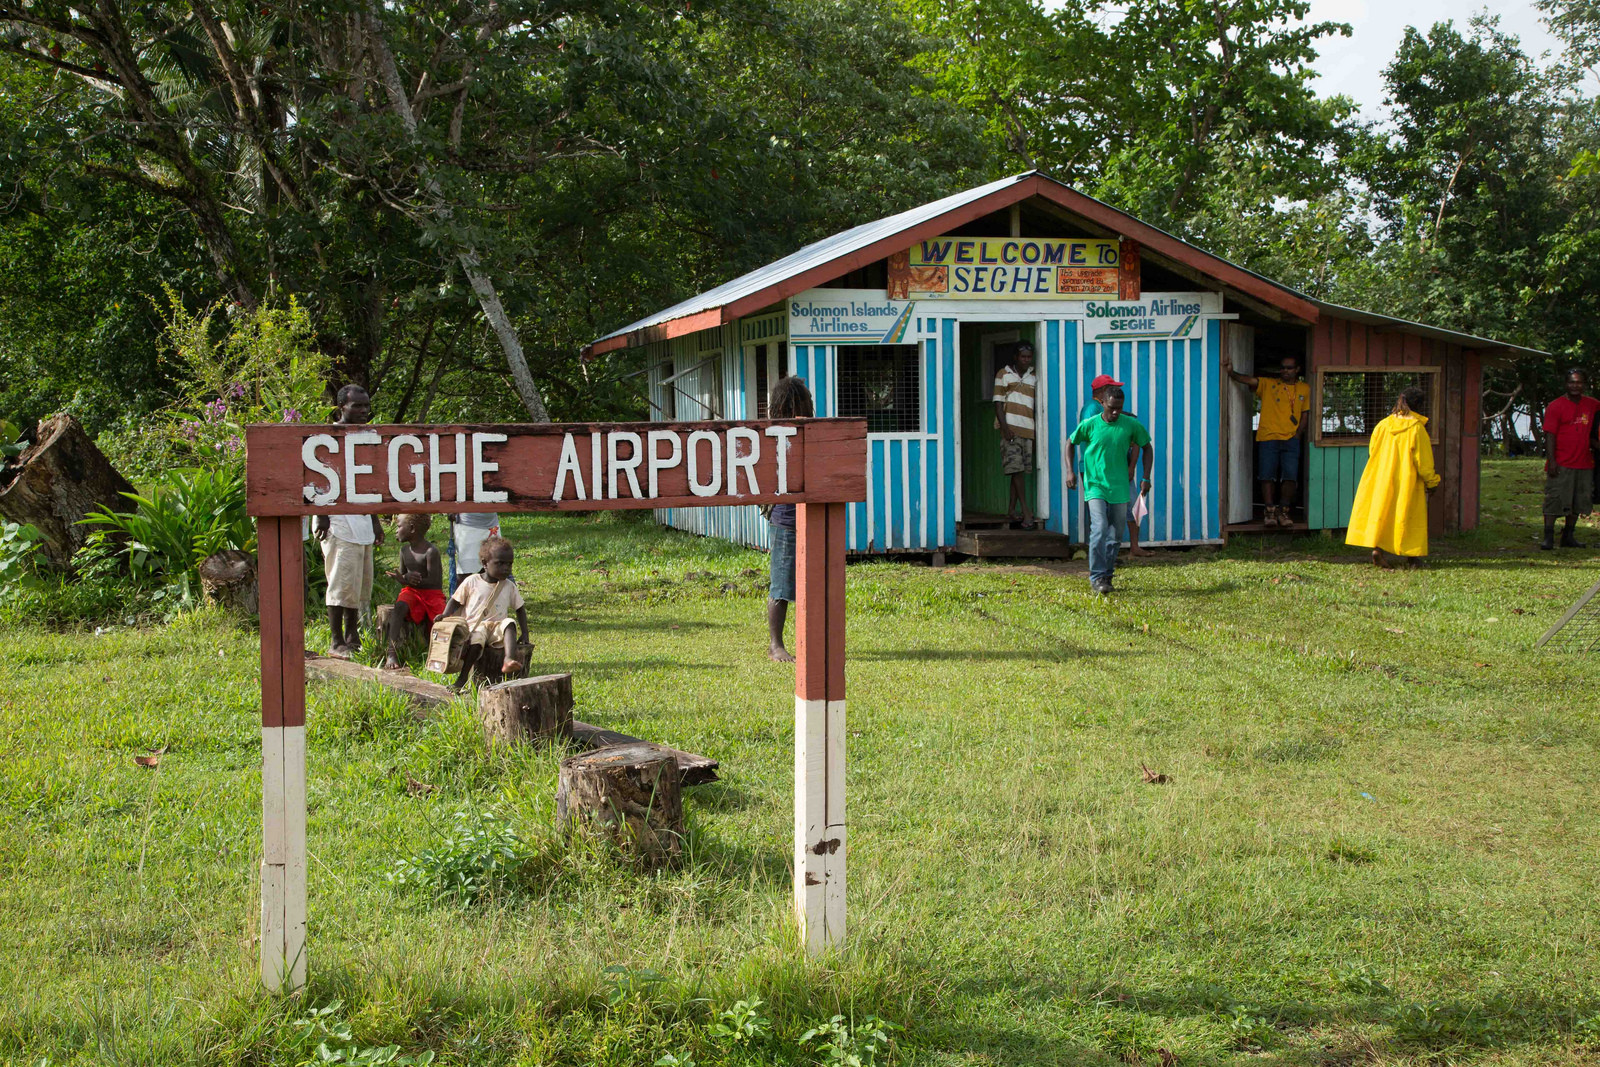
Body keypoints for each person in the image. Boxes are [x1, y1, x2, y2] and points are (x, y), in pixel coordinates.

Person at [313, 384, 383, 658]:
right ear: (341, 406)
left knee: (359, 581)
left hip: (363, 518)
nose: (364, 411)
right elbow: (317, 478)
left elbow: (370, 482)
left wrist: (375, 521)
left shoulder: (367, 437)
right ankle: (336, 640)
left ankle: (353, 636)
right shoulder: (328, 437)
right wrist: (321, 515)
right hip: (336, 520)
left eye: (366, 406)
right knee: (340, 581)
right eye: (357, 406)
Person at [1066, 386, 1154, 594]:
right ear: (1103, 403)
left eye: (1119, 409)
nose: (1116, 412)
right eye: (1112, 408)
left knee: (1115, 534)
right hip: (1095, 485)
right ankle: (1096, 577)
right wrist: (1070, 471)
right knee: (1099, 527)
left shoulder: (1131, 425)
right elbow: (1070, 442)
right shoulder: (1090, 424)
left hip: (1120, 486)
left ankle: (1106, 575)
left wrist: (1146, 476)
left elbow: (1147, 447)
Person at [1345, 386, 1439, 569]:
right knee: (1408, 516)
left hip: (1380, 478)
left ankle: (1378, 551)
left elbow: (1373, 450)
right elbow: (1423, 462)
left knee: (1383, 515)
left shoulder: (1383, 425)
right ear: (1419, 405)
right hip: (1407, 480)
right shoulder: (1417, 429)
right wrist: (1432, 481)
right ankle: (1413, 558)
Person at [1223, 353, 1310, 527]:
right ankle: (1269, 512)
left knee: (1290, 477)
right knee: (1266, 476)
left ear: (1297, 370)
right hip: (1268, 438)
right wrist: (1232, 373)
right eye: (1283, 367)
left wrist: (1298, 434)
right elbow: (1250, 381)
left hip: (1291, 440)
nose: (1285, 371)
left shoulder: (1304, 389)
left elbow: (1305, 414)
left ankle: (1283, 512)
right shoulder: (1270, 385)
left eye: (1289, 368)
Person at [438, 535, 528, 691]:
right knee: (476, 643)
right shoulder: (472, 581)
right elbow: (455, 600)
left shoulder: (508, 586)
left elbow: (520, 608)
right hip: (476, 626)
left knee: (509, 624)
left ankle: (508, 659)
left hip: (497, 626)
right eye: (500, 563)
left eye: (509, 564)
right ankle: (463, 677)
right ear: (485, 564)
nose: (506, 568)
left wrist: (525, 633)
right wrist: (445, 615)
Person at [766, 376, 814, 662]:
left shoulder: (811, 432)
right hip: (786, 518)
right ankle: (776, 645)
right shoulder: (775, 435)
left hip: (814, 517)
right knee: (782, 585)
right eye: (807, 400)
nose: (811, 405)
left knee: (815, 582)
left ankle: (810, 639)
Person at [1078, 373, 1153, 557]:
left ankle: (1129, 547)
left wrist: (1133, 467)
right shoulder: (1091, 409)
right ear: (1102, 393)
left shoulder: (1120, 416)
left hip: (1117, 469)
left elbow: (1141, 445)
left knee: (1129, 507)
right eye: (1111, 387)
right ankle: (1101, 554)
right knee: (1100, 515)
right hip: (1098, 471)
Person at [1540, 368, 1599, 550]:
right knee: (1554, 499)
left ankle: (1568, 536)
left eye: (1579, 382)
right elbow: (1550, 435)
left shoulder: (1593, 405)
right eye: (1572, 382)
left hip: (1585, 462)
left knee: (1578, 501)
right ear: (1566, 384)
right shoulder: (1555, 406)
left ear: (1584, 384)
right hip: (1562, 462)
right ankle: (1548, 537)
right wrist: (1552, 461)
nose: (1575, 385)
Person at [382, 514, 444, 671]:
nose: (396, 530)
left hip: (431, 594)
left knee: (441, 619)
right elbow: (404, 578)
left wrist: (412, 580)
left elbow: (435, 582)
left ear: (412, 528)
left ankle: (440, 654)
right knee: (399, 607)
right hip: (412, 591)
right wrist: (403, 578)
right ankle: (392, 652)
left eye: (399, 526)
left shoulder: (431, 551)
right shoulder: (404, 551)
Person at [993, 342, 1038, 529]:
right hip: (1010, 429)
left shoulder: (1034, 376)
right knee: (1016, 469)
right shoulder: (1003, 374)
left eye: (1029, 357)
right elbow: (997, 402)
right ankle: (1026, 511)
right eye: (1023, 357)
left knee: (1018, 470)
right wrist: (1005, 428)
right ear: (1015, 357)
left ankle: (1012, 509)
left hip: (1028, 429)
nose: (1026, 360)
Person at [449, 512, 501, 594]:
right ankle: (460, 602)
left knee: (492, 567)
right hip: (467, 526)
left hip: (491, 525)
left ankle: (489, 600)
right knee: (465, 571)